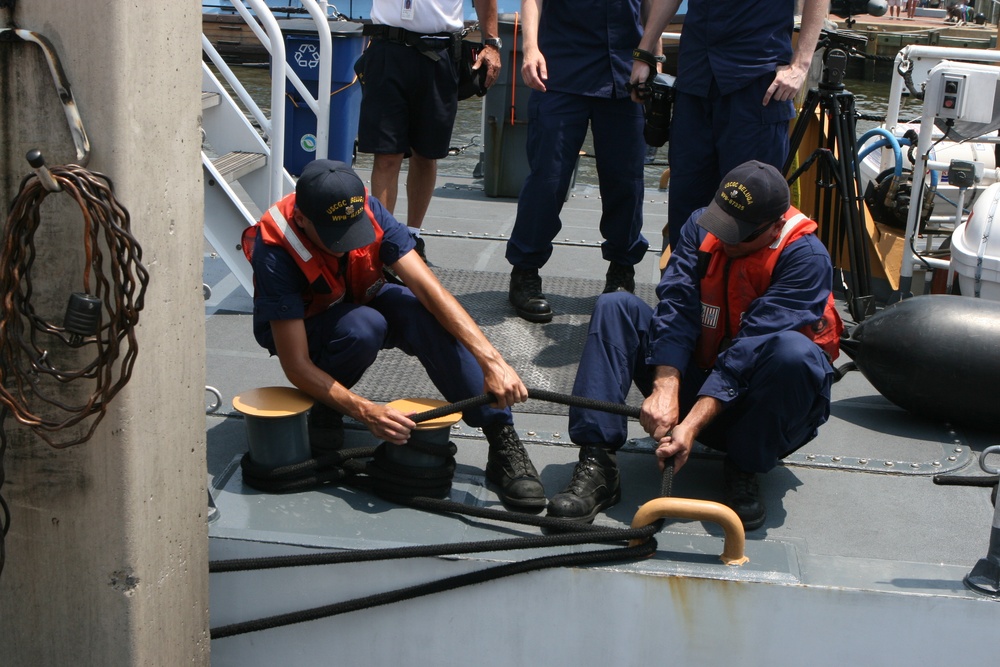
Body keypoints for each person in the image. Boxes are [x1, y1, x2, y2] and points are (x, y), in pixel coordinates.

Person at [548, 161, 843, 529]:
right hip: (698, 379)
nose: (728, 241)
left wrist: (690, 425)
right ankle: (597, 462)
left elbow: (751, 347)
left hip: (755, 407)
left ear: (776, 227)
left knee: (794, 355)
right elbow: (677, 307)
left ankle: (743, 467)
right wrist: (667, 385)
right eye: (724, 228)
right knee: (615, 306)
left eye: (741, 235)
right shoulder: (700, 226)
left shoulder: (806, 259)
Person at [242, 160, 545, 511]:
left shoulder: (368, 209)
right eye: (332, 237)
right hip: (313, 329)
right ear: (302, 221)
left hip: (359, 294)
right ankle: (327, 406)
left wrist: (493, 361)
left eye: (351, 234)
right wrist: (365, 411)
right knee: (363, 328)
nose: (343, 247)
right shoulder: (275, 251)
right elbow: (295, 364)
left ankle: (501, 436)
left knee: (417, 309)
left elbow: (433, 293)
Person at [630, 0, 827, 252]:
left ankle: (743, 291)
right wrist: (645, 52)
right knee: (686, 202)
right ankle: (684, 287)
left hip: (756, 82)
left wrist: (800, 64)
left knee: (751, 207)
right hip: (696, 78)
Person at [505, 0, 651, 323]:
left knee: (626, 179)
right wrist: (530, 48)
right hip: (560, 68)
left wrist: (654, 57)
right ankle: (525, 270)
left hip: (623, 70)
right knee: (548, 177)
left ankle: (621, 271)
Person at [354, 0, 502, 263]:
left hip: (439, 53)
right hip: (387, 49)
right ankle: (382, 244)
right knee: (387, 155)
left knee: (426, 153)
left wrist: (491, 44)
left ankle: (412, 237)